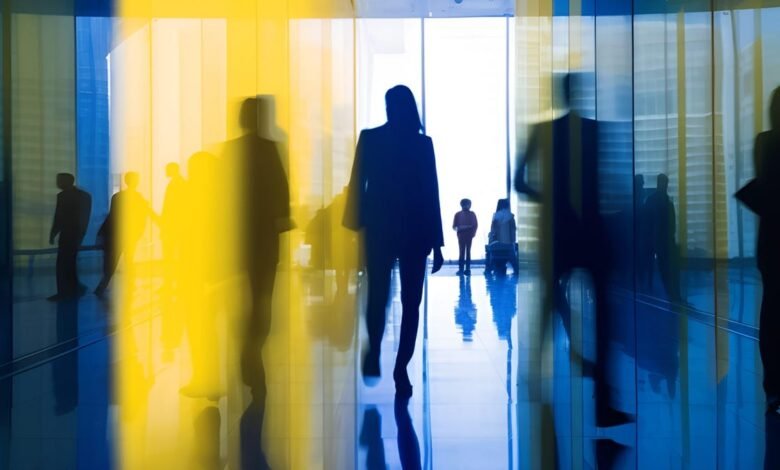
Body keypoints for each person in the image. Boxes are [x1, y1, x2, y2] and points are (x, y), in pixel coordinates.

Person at [514, 73, 633, 432]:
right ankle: (604, 399)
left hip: (561, 232)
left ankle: (537, 379)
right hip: (591, 232)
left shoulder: (544, 132)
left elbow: (519, 180)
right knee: (602, 317)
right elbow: (608, 184)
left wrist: (550, 199)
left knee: (551, 306)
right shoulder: (595, 131)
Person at [344, 85, 444, 398]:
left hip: (380, 229)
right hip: (414, 231)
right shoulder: (421, 144)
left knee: (378, 294)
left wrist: (354, 227)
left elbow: (357, 185)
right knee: (411, 302)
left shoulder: (372, 139)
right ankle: (401, 367)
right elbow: (430, 193)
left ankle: (375, 349)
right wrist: (437, 242)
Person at [739, 86, 780, 413]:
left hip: (770, 242)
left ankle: (773, 388)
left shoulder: (763, 142)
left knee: (771, 315)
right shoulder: (767, 142)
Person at [94, 172, 156, 297]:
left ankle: (103, 285)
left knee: (111, 260)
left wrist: (102, 232)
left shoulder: (118, 197)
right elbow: (145, 215)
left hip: (116, 233)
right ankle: (130, 285)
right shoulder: (139, 198)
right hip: (130, 234)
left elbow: (112, 216)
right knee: (129, 260)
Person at [48, 173, 91, 301]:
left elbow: (59, 218)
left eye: (59, 180)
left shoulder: (63, 196)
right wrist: (82, 233)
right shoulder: (84, 196)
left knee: (62, 264)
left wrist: (53, 234)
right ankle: (75, 288)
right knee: (70, 263)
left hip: (67, 234)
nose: (57, 182)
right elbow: (85, 217)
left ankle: (64, 292)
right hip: (77, 234)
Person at [645, 173, 681, 301]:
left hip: (662, 241)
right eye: (664, 183)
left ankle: (670, 294)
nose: (665, 186)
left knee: (665, 269)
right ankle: (670, 294)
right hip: (660, 241)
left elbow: (671, 224)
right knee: (665, 269)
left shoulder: (658, 201)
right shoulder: (663, 201)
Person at [485, 198, 518, 276]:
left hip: (496, 245)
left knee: (491, 256)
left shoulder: (495, 215)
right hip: (508, 245)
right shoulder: (511, 216)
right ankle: (515, 271)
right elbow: (513, 230)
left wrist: (491, 241)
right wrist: (512, 242)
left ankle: (488, 270)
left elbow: (493, 231)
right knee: (514, 263)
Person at [452, 198, 478, 275]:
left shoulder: (472, 214)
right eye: (467, 204)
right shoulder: (457, 214)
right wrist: (463, 227)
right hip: (461, 235)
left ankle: (467, 269)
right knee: (462, 252)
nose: (468, 206)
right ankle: (461, 269)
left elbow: (475, 225)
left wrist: (471, 232)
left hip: (468, 235)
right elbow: (454, 226)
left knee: (467, 252)